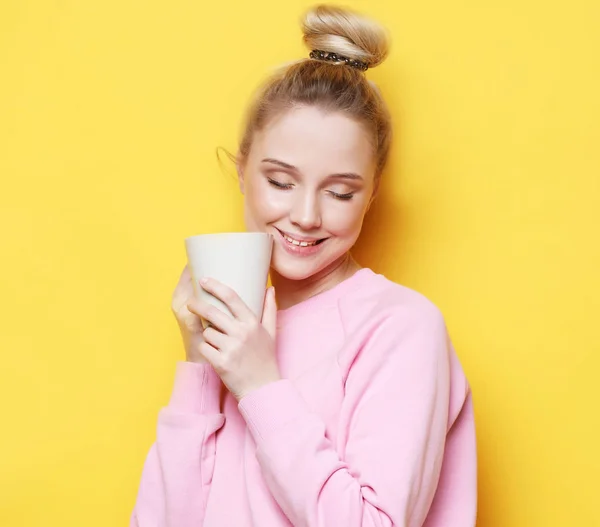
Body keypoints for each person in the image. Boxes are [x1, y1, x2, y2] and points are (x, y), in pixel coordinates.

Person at [130, 4, 477, 526]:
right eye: (281, 181)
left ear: (371, 194)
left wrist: (260, 387)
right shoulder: (235, 329)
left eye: (340, 191)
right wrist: (200, 369)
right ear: (242, 170)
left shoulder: (401, 328)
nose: (307, 215)